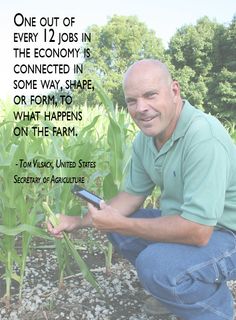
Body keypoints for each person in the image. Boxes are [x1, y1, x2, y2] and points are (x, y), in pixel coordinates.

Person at [47, 59, 236, 320]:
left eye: (150, 95)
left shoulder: (203, 137)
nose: (141, 108)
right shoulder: (146, 139)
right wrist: (78, 221)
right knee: (121, 228)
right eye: (132, 101)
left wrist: (120, 223)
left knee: (155, 266)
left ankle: (214, 311)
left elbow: (199, 231)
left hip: (225, 233)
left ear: (174, 92)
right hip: (191, 224)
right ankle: (177, 289)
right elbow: (131, 196)